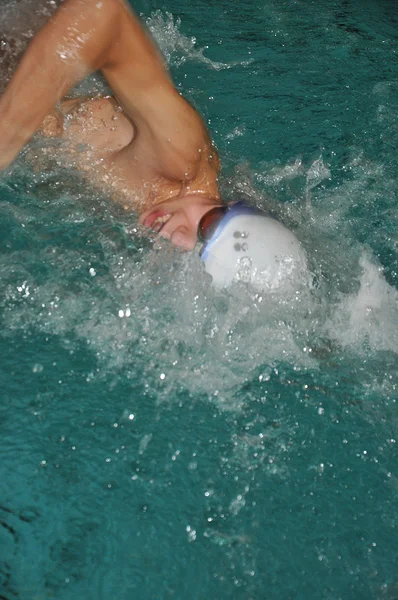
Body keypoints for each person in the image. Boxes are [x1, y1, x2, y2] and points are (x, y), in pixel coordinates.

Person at [0, 0, 221, 250]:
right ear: (234, 206)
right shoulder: (183, 160)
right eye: (209, 226)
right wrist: (7, 137)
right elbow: (103, 12)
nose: (181, 238)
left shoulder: (151, 228)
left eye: (204, 254)